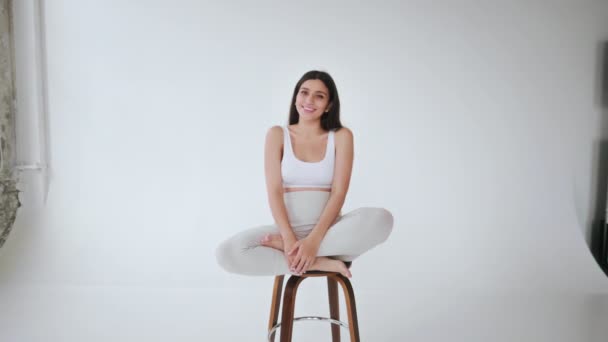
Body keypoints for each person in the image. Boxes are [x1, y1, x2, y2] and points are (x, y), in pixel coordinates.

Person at [216, 70, 393, 278]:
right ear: (296, 97)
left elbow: (339, 192)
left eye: (319, 96)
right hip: (288, 230)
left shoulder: (342, 136)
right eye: (304, 92)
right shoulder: (277, 135)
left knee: (382, 219)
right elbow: (274, 191)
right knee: (227, 253)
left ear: (329, 105)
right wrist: (289, 238)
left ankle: (296, 252)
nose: (309, 100)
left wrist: (313, 241)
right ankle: (318, 262)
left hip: (330, 231)